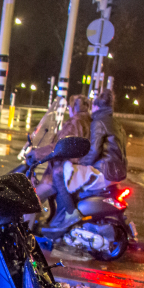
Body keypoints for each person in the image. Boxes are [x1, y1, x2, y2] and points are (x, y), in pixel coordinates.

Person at [45, 90, 127, 232]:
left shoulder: (98, 122)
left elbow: (94, 150)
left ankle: (71, 213)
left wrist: (80, 163)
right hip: (118, 172)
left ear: (96, 107)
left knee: (59, 172)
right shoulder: (117, 123)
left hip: (103, 170)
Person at [28, 94, 91, 193]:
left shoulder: (74, 123)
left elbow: (58, 147)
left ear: (73, 108)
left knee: (35, 198)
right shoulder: (88, 121)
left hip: (62, 170)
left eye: (70, 107)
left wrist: (37, 154)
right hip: (76, 170)